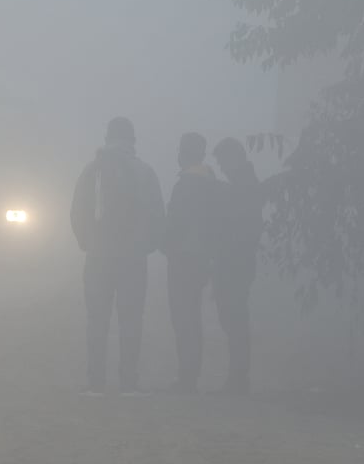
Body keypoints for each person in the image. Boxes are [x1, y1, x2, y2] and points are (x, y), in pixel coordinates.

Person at [71, 117, 165, 396]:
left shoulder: (92, 169)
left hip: (99, 255)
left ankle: (96, 382)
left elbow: (78, 211)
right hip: (133, 258)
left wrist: (87, 243)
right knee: (131, 319)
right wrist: (146, 246)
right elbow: (157, 216)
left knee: (97, 319)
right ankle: (128, 382)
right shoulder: (145, 171)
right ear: (132, 140)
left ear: (107, 138)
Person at [161, 133, 218, 394]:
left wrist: (164, 245)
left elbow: (175, 224)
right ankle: (190, 376)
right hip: (200, 258)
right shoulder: (209, 183)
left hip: (183, 259)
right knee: (192, 317)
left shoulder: (186, 185)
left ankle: (187, 379)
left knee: (183, 319)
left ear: (184, 153)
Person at [210, 137, 264, 394]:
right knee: (232, 319)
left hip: (235, 263)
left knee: (234, 319)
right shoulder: (242, 183)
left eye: (222, 162)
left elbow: (239, 227)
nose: (221, 168)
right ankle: (237, 376)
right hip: (234, 262)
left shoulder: (244, 186)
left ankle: (238, 378)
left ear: (233, 158)